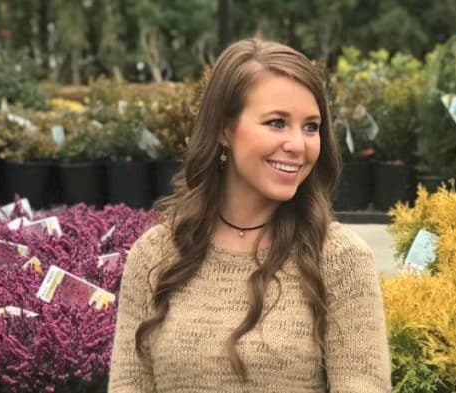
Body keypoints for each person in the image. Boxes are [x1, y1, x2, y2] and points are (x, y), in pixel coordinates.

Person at [109, 38, 391, 392]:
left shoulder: (338, 257)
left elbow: (362, 384)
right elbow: (129, 384)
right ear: (225, 129)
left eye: (311, 126)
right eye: (276, 122)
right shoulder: (155, 255)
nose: (297, 145)